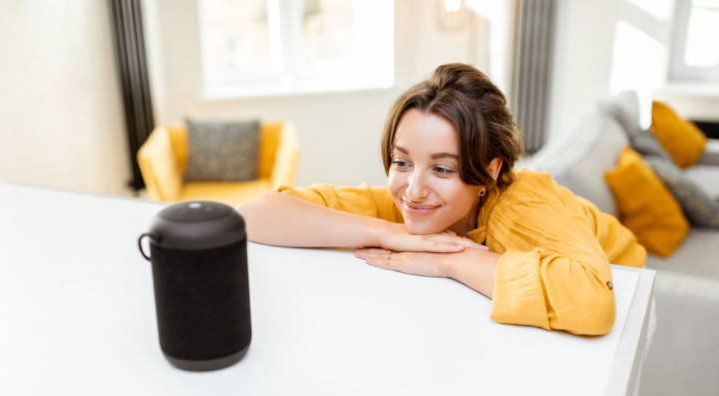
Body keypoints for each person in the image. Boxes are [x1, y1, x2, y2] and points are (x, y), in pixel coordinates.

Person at [237, 63, 646, 336]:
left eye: (443, 169)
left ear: (490, 171)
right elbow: (254, 215)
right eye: (402, 162)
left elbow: (594, 301)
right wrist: (390, 233)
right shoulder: (404, 207)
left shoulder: (519, 206)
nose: (413, 190)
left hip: (631, 291)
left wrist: (451, 260)